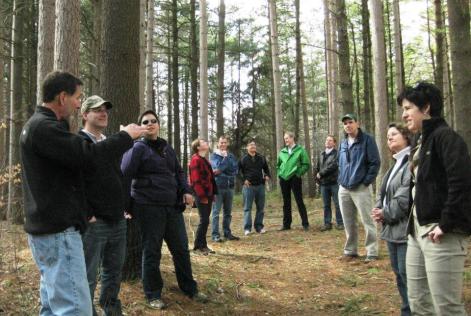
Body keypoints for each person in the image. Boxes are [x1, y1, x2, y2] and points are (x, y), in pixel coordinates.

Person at [20, 71, 144, 315]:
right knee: (74, 308)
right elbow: (88, 156)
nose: (79, 104)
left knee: (52, 306)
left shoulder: (43, 126)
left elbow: (74, 172)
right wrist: (126, 136)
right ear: (62, 97)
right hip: (57, 233)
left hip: (50, 232)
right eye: (78, 98)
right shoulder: (44, 128)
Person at [121, 110, 206, 310]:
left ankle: (189, 288)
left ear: (158, 125)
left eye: (153, 121)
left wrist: (186, 190)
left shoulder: (167, 148)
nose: (150, 124)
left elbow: (178, 171)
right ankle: (153, 294)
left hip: (172, 207)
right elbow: (124, 174)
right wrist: (127, 206)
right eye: (145, 122)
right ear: (141, 126)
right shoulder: (137, 148)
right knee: (152, 251)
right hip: (148, 208)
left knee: (181, 249)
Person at [398, 82, 471, 315]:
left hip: (442, 235)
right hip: (417, 234)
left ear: (426, 108)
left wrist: (445, 224)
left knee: (447, 307)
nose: (404, 114)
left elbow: (461, 183)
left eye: (409, 108)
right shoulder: (421, 143)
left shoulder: (447, 138)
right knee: (418, 302)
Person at [80, 95, 127, 316]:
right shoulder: (79, 143)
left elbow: (118, 177)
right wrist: (88, 213)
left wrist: (123, 207)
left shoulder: (108, 143)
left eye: (105, 109)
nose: (103, 113)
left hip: (117, 220)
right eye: (97, 109)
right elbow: (74, 183)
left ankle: (111, 310)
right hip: (94, 223)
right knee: (88, 275)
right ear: (84, 114)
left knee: (113, 273)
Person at [371, 123, 411, 316]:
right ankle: (406, 310)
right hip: (391, 230)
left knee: (407, 274)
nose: (389, 138)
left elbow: (404, 199)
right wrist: (379, 208)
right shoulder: (395, 164)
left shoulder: (411, 162)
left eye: (394, 134)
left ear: (406, 136)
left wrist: (384, 213)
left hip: (405, 230)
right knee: (399, 274)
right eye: (387, 136)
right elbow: (383, 191)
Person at [338, 113, 380, 263]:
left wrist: (366, 181)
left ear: (357, 123)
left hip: (361, 187)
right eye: (345, 123)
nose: (348, 125)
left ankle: (372, 251)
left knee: (367, 220)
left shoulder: (367, 140)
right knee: (348, 221)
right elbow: (340, 163)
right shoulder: (343, 143)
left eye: (350, 122)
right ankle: (350, 250)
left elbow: (375, 162)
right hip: (344, 188)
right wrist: (341, 179)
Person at [277, 131, 311, 231]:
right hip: (284, 179)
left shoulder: (300, 150)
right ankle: (286, 225)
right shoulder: (282, 151)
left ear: (292, 138)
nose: (285, 140)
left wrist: (298, 174)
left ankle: (305, 224)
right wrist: (280, 173)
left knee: (299, 200)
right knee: (286, 202)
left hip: (295, 178)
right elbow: (278, 165)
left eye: (287, 138)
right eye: (285, 139)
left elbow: (306, 164)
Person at [189, 139, 217, 255]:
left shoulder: (203, 160)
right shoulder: (195, 160)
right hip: (201, 194)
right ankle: (197, 247)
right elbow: (195, 181)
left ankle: (203, 245)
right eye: (203, 143)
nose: (206, 143)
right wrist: (202, 196)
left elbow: (209, 178)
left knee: (205, 221)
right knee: (204, 220)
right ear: (198, 147)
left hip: (208, 194)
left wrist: (212, 194)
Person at [210, 136, 240, 242]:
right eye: (221, 142)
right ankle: (215, 235)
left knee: (228, 212)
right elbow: (216, 170)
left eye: (225, 142)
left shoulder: (231, 156)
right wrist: (225, 161)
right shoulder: (214, 156)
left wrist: (224, 170)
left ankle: (227, 234)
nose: (223, 144)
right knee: (216, 212)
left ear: (227, 144)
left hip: (230, 187)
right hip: (218, 187)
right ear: (218, 144)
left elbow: (235, 170)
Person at [238, 138, 270, 235]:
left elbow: (266, 169)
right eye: (251, 145)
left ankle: (259, 227)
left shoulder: (261, 158)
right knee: (247, 208)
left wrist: (267, 175)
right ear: (247, 147)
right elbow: (237, 172)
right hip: (248, 187)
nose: (253, 146)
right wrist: (244, 180)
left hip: (260, 186)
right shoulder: (243, 159)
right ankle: (247, 228)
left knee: (260, 208)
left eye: (254, 145)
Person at [315, 135, 343, 231]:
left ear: (334, 143)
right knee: (326, 205)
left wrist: (321, 173)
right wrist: (317, 179)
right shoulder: (321, 154)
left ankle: (340, 223)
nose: (328, 142)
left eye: (330, 140)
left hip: (334, 182)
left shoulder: (337, 154)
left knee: (337, 203)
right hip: (323, 184)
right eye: (327, 140)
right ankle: (327, 223)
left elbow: (333, 166)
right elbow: (318, 167)